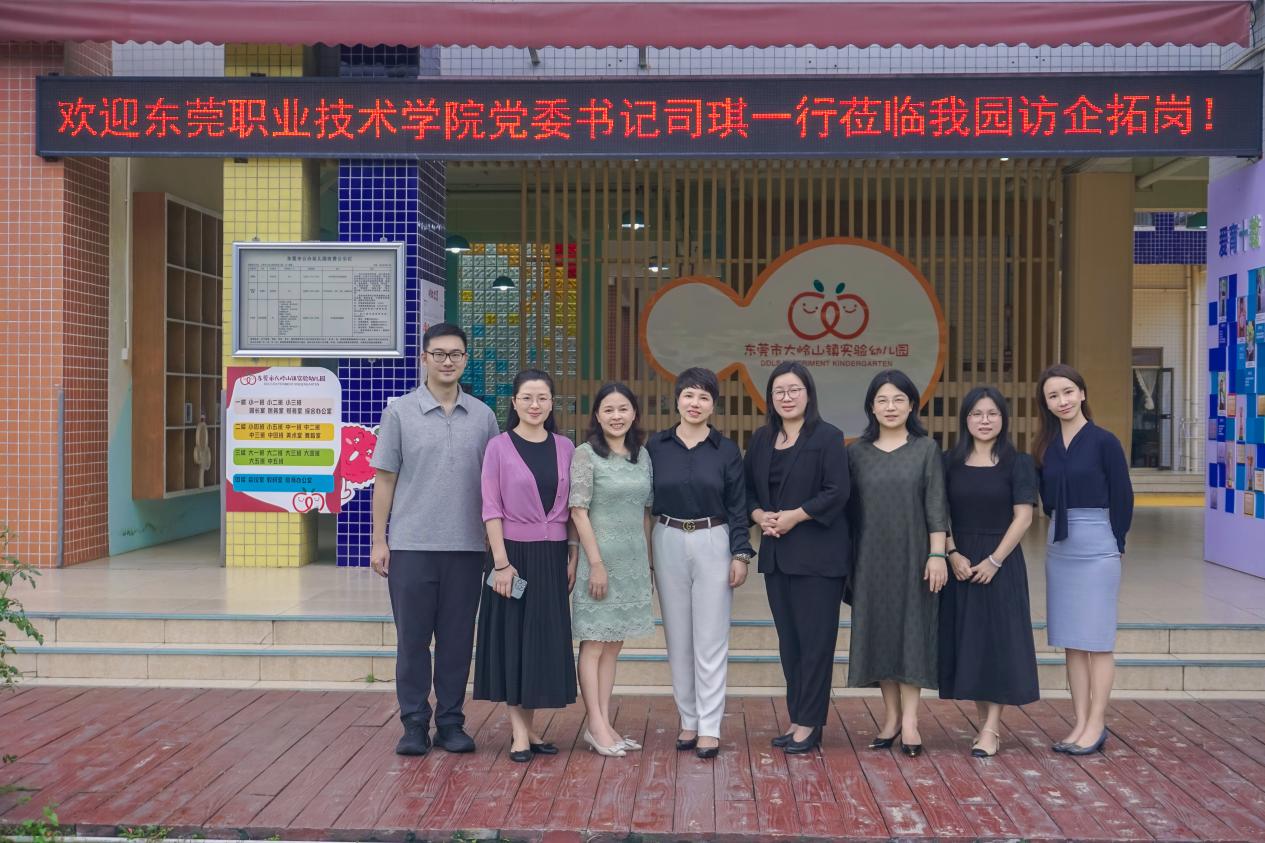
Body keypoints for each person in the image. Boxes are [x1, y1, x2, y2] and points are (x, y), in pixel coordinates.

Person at [370, 322, 500, 756]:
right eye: (439, 354)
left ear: (465, 359)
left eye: (456, 354)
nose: (448, 361)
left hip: (467, 547)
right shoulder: (399, 412)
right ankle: (413, 723)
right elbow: (385, 479)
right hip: (411, 546)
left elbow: (495, 483)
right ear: (424, 358)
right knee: (412, 641)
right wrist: (379, 540)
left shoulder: (483, 416)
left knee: (457, 641)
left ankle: (450, 722)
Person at [646, 367, 753, 759]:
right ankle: (688, 720)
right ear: (677, 400)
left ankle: (710, 726)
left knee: (711, 637)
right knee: (678, 637)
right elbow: (643, 501)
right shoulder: (656, 446)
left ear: (713, 405)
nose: (695, 403)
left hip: (713, 538)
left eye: (704, 397)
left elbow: (738, 506)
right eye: (689, 395)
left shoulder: (726, 450)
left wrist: (740, 553)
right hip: (667, 536)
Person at [744, 361, 851, 755]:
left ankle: (810, 723)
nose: (786, 397)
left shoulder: (828, 437)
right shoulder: (761, 439)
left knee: (815, 643)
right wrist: (759, 515)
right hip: (777, 556)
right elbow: (746, 491)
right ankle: (798, 718)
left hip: (819, 558)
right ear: (770, 397)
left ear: (808, 394)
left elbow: (837, 491)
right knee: (790, 643)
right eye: (779, 391)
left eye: (794, 390)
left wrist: (796, 515)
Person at [474, 369, 578, 762]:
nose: (535, 405)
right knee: (513, 641)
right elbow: (491, 508)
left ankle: (531, 730)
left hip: (552, 557)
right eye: (527, 398)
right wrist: (501, 564)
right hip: (511, 558)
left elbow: (573, 506)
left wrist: (572, 552)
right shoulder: (498, 447)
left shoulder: (566, 447)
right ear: (514, 402)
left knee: (538, 644)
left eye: (542, 398)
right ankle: (519, 734)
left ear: (552, 404)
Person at [846, 370, 948, 758]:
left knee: (911, 635)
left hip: (914, 557)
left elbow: (936, 505)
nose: (890, 407)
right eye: (883, 400)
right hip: (869, 559)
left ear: (912, 406)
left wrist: (937, 554)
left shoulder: (926, 449)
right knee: (880, 636)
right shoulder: (855, 453)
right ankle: (889, 718)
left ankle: (911, 722)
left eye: (898, 400)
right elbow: (848, 511)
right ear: (871, 407)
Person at [1034, 363, 1133, 756]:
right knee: (1072, 642)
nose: (1062, 400)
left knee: (1098, 640)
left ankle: (1097, 723)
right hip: (1061, 547)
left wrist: (1116, 540)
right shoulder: (1045, 446)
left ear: (1082, 393)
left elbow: (1123, 495)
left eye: (1068, 392)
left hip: (1097, 544)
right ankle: (1079, 722)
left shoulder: (1104, 441)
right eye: (1053, 395)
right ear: (1046, 403)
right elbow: (1045, 499)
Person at [939, 386, 1040, 758]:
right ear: (965, 419)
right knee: (972, 645)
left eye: (992, 413)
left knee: (997, 644)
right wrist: (951, 552)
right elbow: (937, 512)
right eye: (977, 414)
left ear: (1003, 419)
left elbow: (1023, 517)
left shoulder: (1018, 462)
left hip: (1001, 561)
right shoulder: (948, 461)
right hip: (961, 564)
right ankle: (984, 725)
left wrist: (995, 561)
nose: (985, 421)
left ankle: (991, 728)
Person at [570, 382, 655, 758]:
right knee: (594, 643)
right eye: (608, 409)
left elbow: (645, 513)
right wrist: (596, 564)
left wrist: (648, 564)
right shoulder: (585, 454)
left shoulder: (642, 455)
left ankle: (605, 722)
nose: (616, 416)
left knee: (613, 645)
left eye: (623, 409)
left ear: (634, 413)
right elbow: (578, 512)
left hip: (632, 564)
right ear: (597, 415)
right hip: (599, 563)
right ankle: (594, 724)